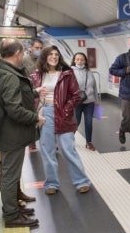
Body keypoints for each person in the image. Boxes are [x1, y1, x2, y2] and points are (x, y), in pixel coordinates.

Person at [0, 38, 46, 228]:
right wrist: (35, 118)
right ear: (17, 54)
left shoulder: (2, 70)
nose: (23, 57)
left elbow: (16, 95)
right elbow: (14, 109)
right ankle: (12, 215)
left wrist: (35, 92)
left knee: (9, 173)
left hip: (8, 132)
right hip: (11, 134)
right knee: (10, 175)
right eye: (22, 54)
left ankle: (14, 207)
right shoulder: (10, 76)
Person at [30, 45, 92, 195]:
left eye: (56, 54)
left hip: (63, 114)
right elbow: (29, 95)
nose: (54, 57)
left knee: (68, 149)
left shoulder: (66, 74)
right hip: (44, 114)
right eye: (50, 54)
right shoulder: (36, 75)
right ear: (44, 57)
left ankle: (81, 181)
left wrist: (66, 110)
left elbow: (76, 95)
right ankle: (51, 183)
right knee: (47, 151)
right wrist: (36, 114)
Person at [72, 52, 99, 150]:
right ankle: (69, 140)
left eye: (82, 59)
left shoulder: (90, 72)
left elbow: (94, 87)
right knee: (76, 122)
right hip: (77, 102)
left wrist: (97, 101)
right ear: (74, 60)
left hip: (90, 102)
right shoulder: (70, 71)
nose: (80, 61)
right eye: (77, 59)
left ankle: (89, 142)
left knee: (89, 122)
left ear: (85, 61)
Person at [22, 38, 43, 153]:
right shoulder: (24, 60)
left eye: (40, 48)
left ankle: (45, 140)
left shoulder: (43, 60)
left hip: (42, 93)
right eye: (36, 48)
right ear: (31, 48)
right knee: (32, 118)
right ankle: (32, 143)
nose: (38, 50)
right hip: (29, 93)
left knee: (44, 117)